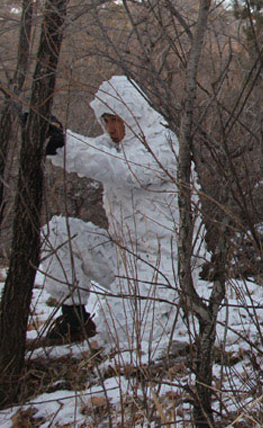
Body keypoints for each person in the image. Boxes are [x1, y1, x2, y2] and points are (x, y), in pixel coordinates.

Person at [41, 76, 206, 356]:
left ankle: (174, 310)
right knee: (57, 233)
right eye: (104, 122)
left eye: (114, 120)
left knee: (127, 335)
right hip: (122, 254)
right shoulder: (116, 145)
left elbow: (120, 168)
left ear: (130, 113)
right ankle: (74, 319)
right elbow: (98, 153)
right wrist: (56, 135)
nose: (110, 129)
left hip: (163, 263)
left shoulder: (164, 145)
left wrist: (66, 146)